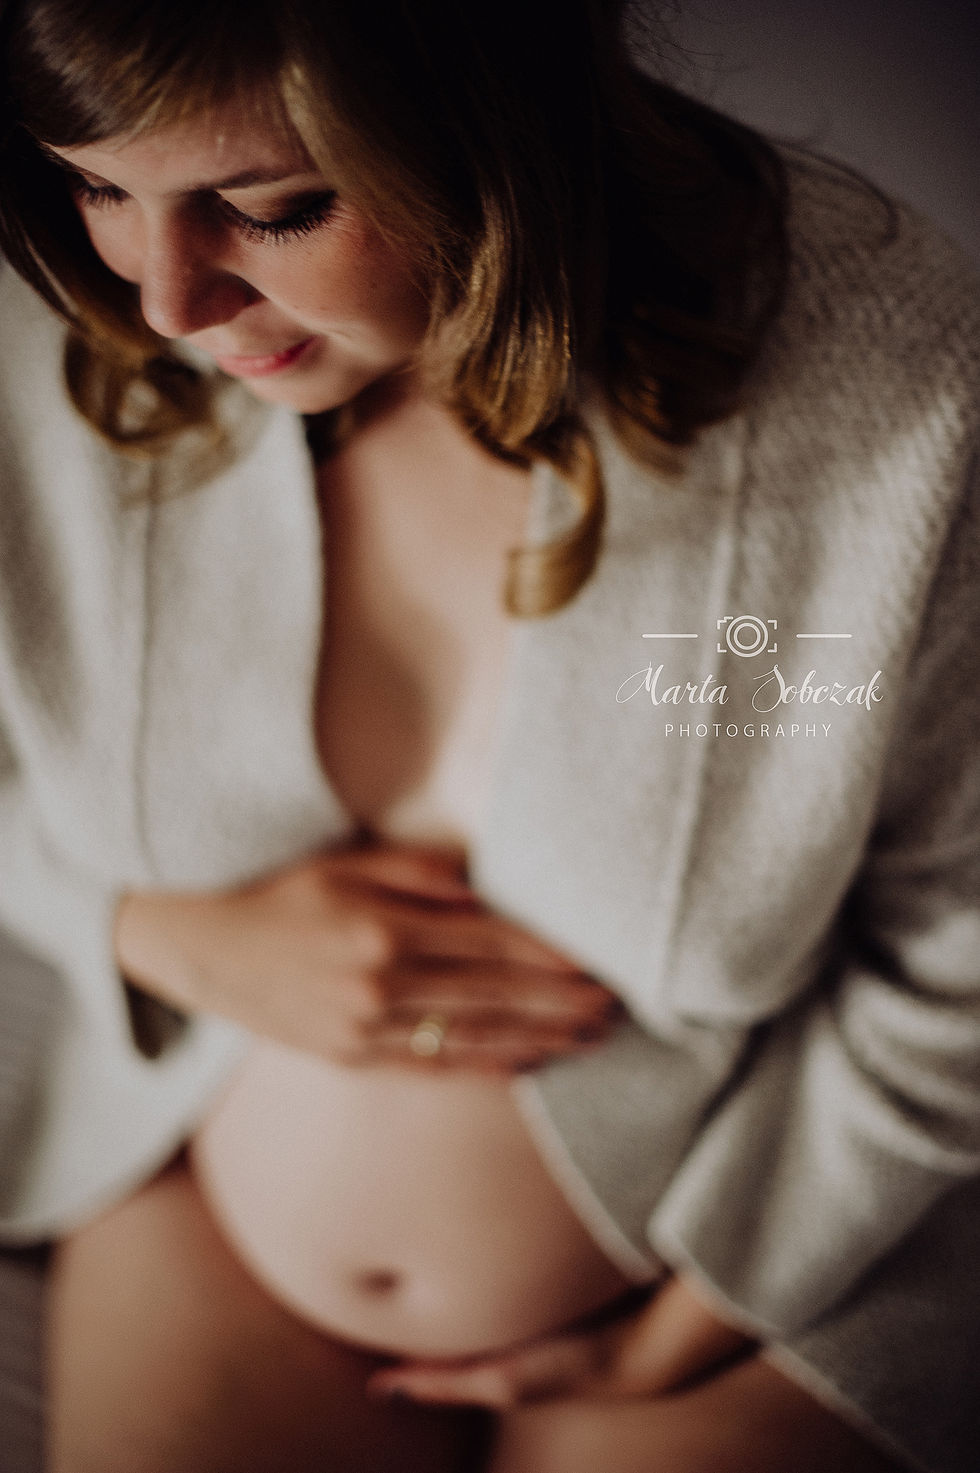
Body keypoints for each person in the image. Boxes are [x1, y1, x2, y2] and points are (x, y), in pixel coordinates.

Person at [0, 0, 978, 1470]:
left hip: (751, 1263)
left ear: (492, 120)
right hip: (204, 1190)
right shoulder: (66, 336)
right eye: (95, 188)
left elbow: (962, 944)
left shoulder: (878, 404)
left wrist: (701, 1313)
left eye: (274, 208)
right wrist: (150, 931)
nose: (164, 302)